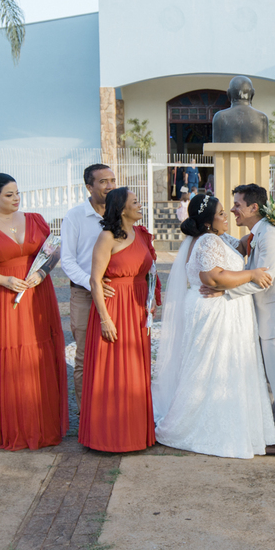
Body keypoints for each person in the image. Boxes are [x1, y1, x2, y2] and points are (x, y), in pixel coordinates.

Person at [154, 193, 275, 458]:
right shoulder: (209, 239)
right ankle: (197, 425)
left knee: (222, 366)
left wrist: (268, 224)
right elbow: (214, 277)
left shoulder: (218, 238)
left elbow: (241, 247)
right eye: (221, 213)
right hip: (214, 310)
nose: (226, 216)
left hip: (225, 308)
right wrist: (252, 273)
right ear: (209, 221)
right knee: (213, 365)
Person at [0, 174, 69, 450]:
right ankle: (9, 427)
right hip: (1, 300)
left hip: (37, 295)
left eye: (17, 193)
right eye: (9, 194)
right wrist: (2, 280)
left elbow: (53, 250)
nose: (16, 198)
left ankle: (41, 425)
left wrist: (43, 273)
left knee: (38, 356)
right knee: (8, 359)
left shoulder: (35, 219)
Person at [217, 184, 275, 454]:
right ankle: (272, 430)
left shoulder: (270, 236)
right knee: (269, 378)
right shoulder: (258, 234)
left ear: (253, 207)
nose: (233, 209)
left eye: (237, 204)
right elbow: (238, 253)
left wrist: (223, 294)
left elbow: (263, 281)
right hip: (267, 318)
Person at [79, 187, 161, 452]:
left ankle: (136, 434)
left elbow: (151, 272)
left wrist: (152, 301)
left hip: (138, 311)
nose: (140, 206)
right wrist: (104, 319)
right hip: (113, 308)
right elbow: (95, 279)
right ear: (122, 209)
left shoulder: (142, 234)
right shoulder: (107, 237)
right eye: (135, 202)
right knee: (110, 373)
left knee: (136, 373)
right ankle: (107, 437)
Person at [61, 164, 117, 402]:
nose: (110, 185)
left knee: (114, 353)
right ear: (89, 186)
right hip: (84, 295)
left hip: (115, 293)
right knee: (84, 356)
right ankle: (86, 415)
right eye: (103, 181)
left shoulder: (120, 211)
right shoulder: (75, 216)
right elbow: (67, 261)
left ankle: (111, 410)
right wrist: (91, 283)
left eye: (112, 180)